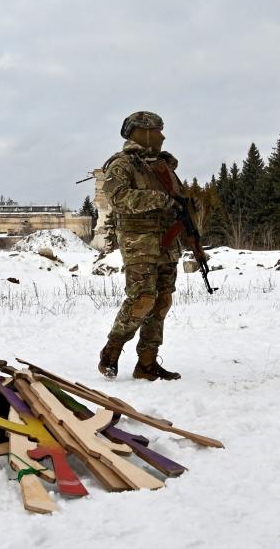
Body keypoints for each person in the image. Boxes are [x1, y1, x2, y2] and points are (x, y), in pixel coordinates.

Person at [97, 111, 185, 381]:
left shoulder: (163, 167)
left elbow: (179, 202)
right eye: (158, 130)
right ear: (142, 132)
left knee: (162, 302)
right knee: (142, 300)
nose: (163, 136)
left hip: (167, 243)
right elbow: (119, 197)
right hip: (140, 244)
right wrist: (158, 199)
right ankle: (111, 351)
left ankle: (146, 363)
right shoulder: (121, 165)